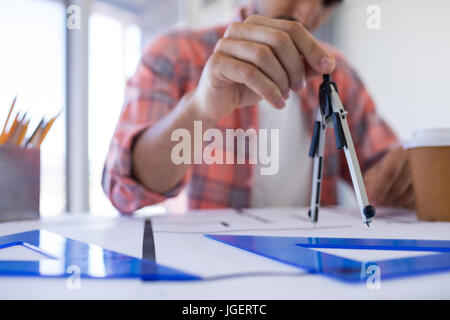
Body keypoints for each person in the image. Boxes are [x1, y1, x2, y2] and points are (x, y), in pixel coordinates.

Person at [102, 0, 415, 214]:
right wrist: (201, 109)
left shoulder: (338, 73)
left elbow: (386, 173)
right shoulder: (175, 53)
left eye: (324, 2)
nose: (306, 10)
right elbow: (123, 189)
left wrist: (410, 175)